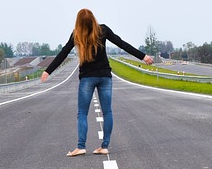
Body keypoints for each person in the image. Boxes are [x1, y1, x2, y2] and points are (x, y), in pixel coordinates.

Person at [41, 9, 154, 157]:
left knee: (82, 113)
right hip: (105, 77)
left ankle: (81, 146)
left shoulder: (76, 34)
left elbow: (63, 53)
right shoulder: (103, 30)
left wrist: (48, 71)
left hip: (87, 78)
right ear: (93, 19)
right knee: (107, 111)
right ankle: (104, 146)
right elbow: (122, 44)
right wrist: (143, 56)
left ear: (78, 22)